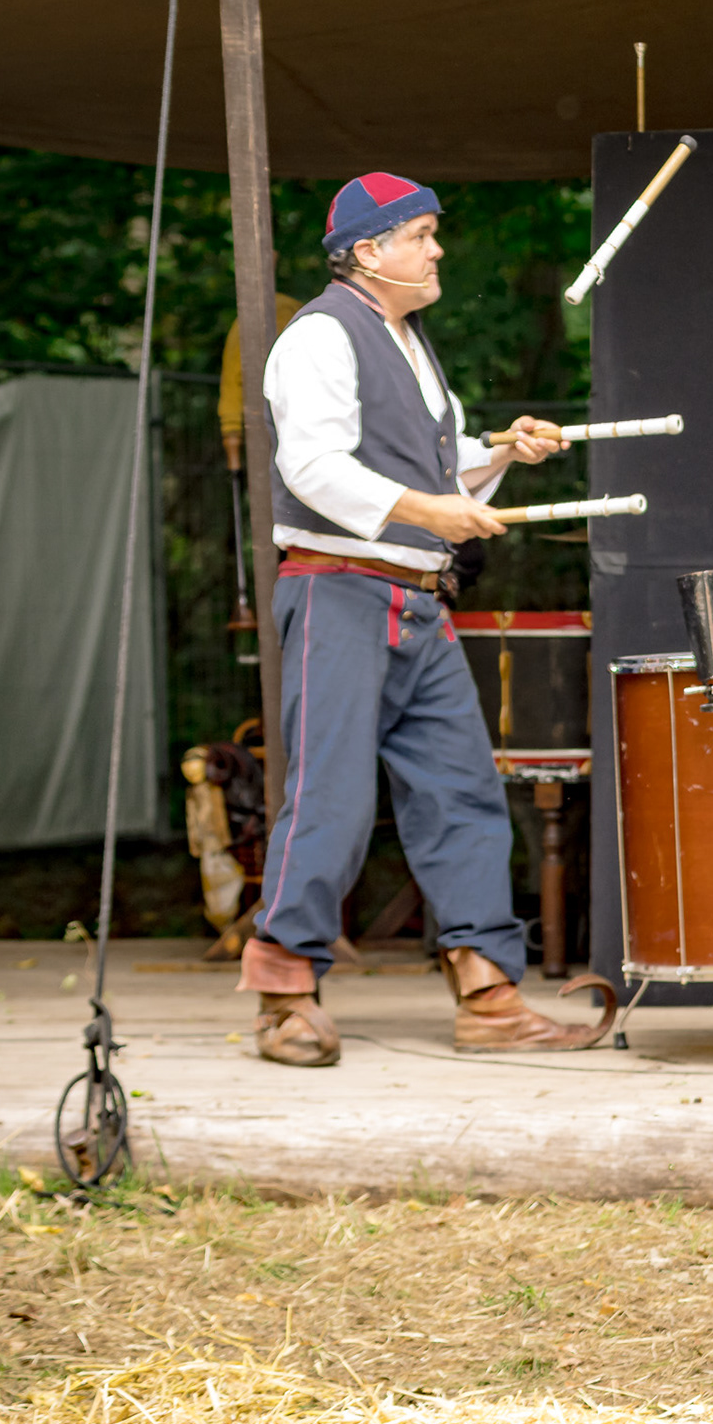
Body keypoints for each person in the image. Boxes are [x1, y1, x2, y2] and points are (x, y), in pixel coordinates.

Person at [237, 171, 613, 1066]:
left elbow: (436, 476)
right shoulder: (319, 335)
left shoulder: (406, 340)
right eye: (420, 235)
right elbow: (312, 469)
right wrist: (428, 508)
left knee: (461, 792)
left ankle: (487, 995)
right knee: (330, 795)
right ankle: (284, 994)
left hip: (416, 601)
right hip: (339, 590)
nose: (437, 250)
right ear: (368, 251)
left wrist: (501, 452)